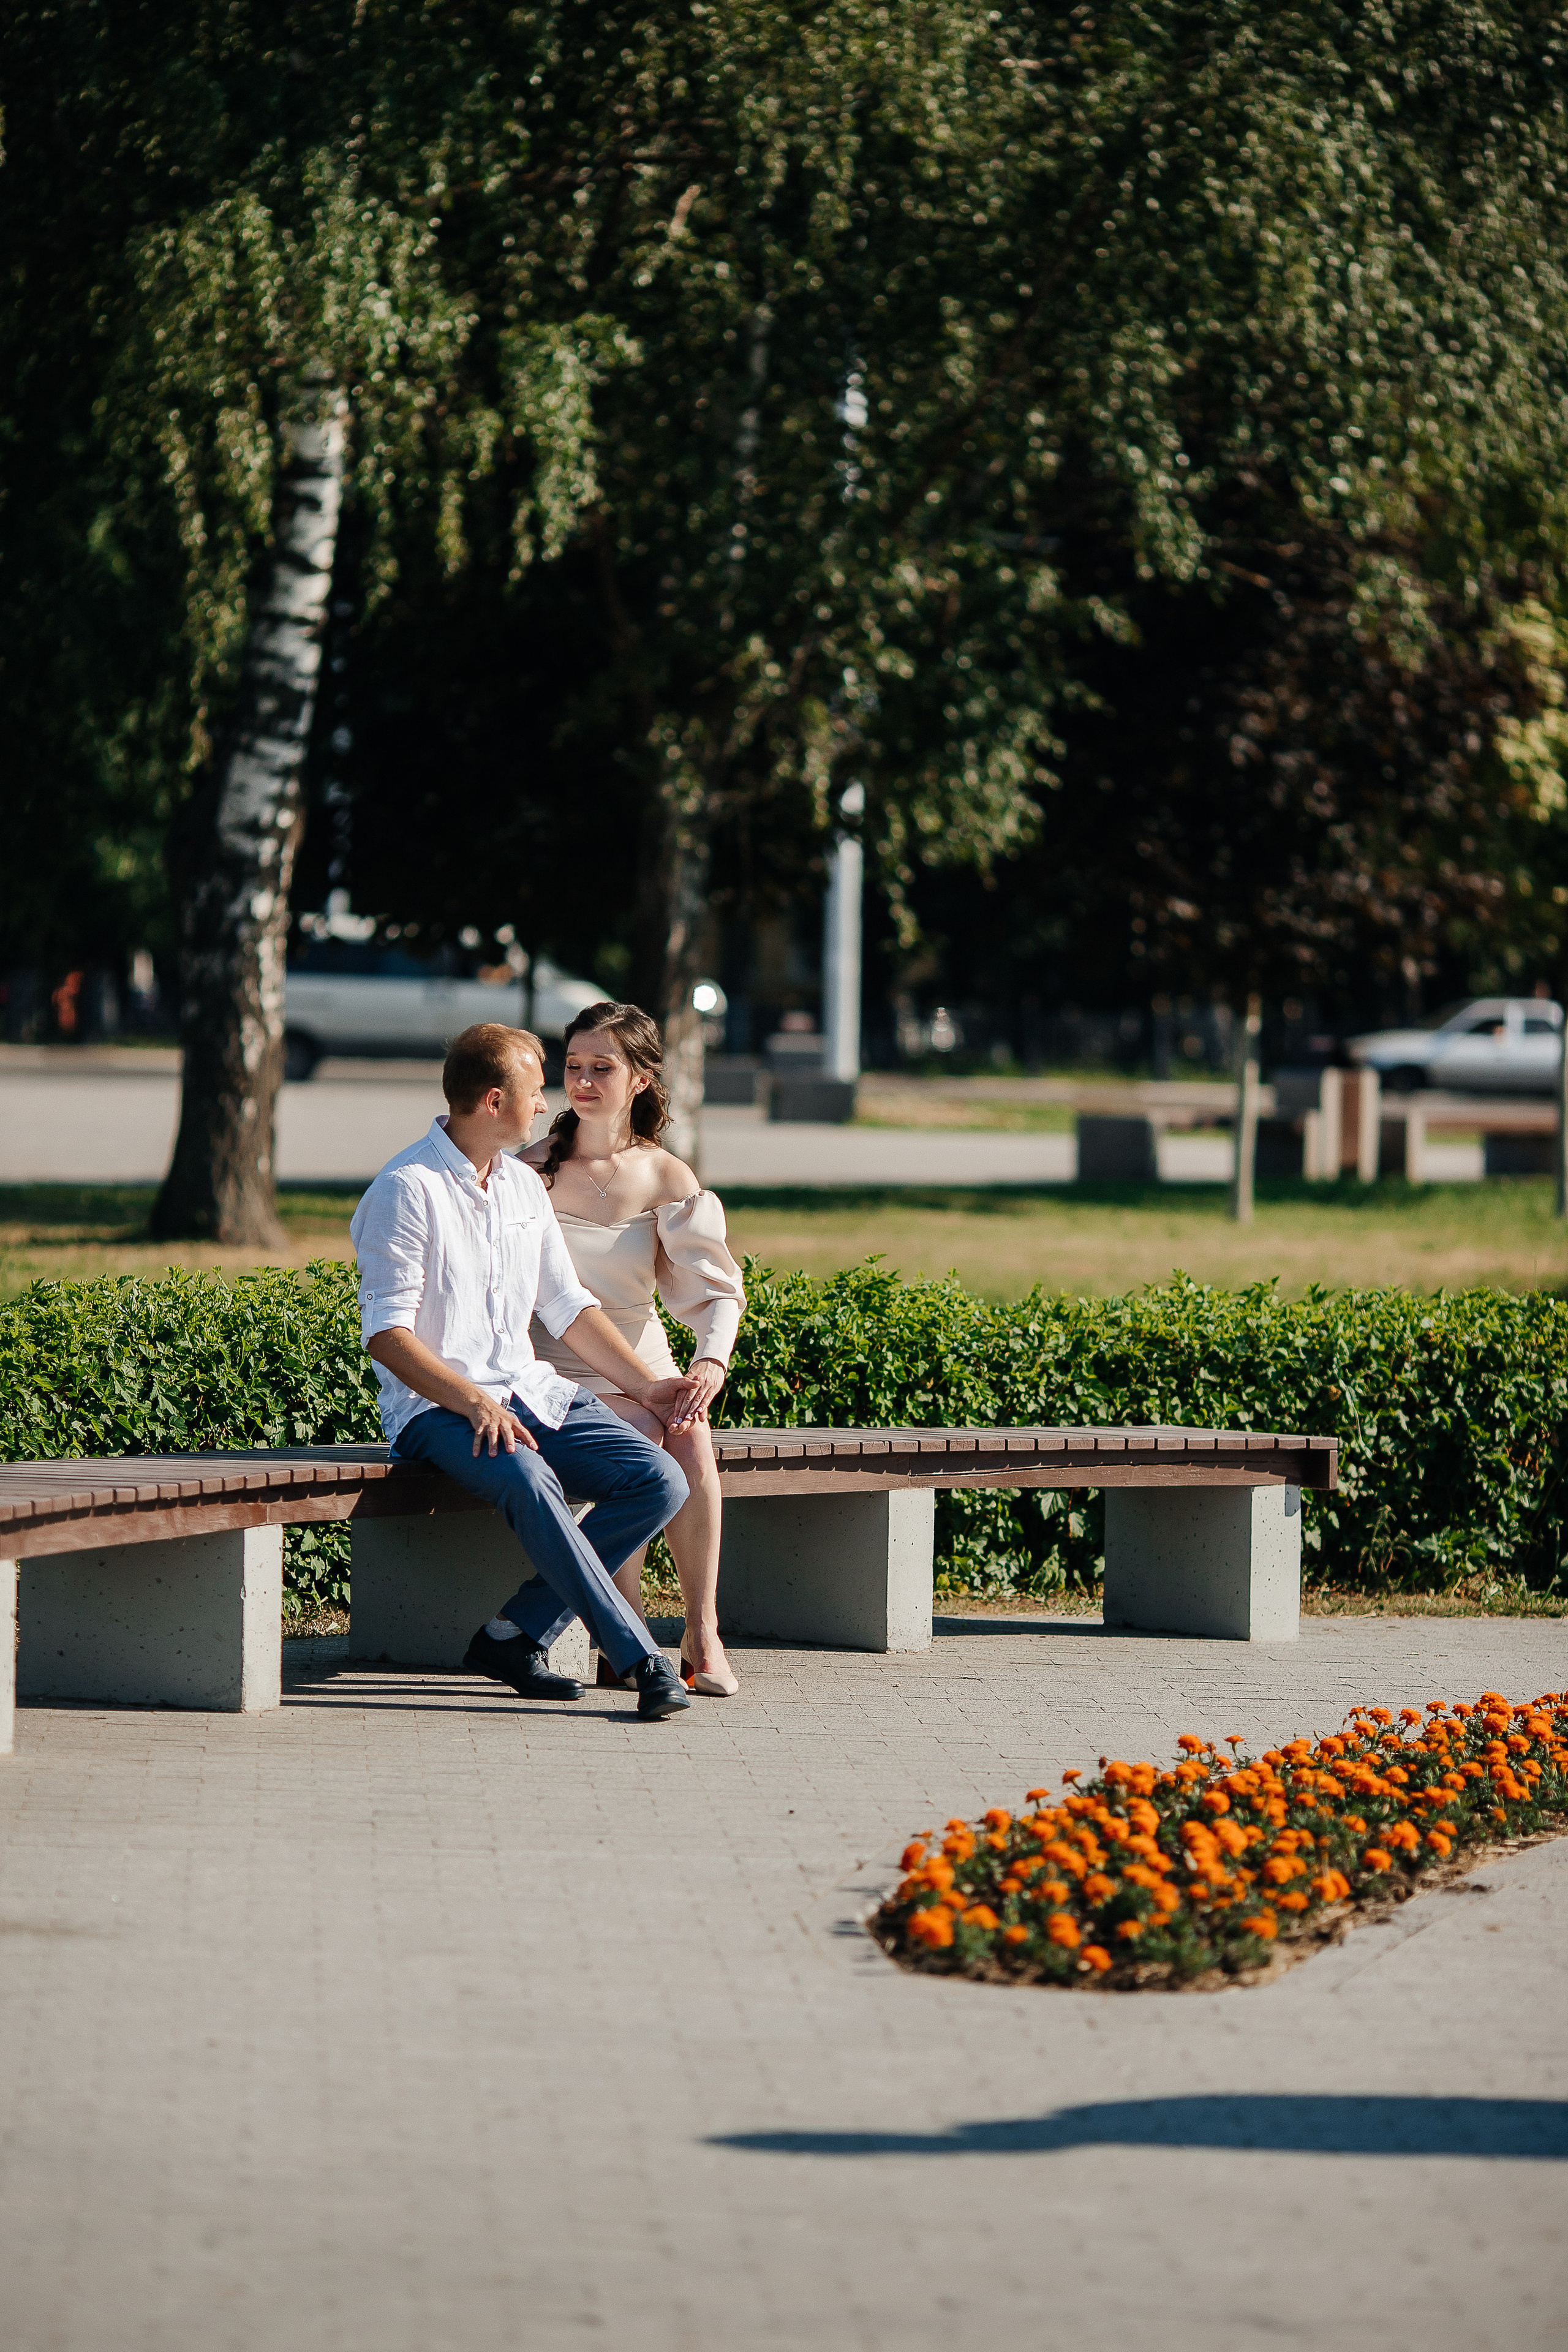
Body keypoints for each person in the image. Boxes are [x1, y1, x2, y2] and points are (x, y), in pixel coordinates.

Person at [349, 1019, 701, 1721]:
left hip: (530, 1391)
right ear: (493, 1101)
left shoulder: (520, 1184)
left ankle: (513, 1636)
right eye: (534, 1091)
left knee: (658, 1480)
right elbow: (387, 1336)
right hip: (437, 1411)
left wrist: (649, 1387)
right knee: (530, 1476)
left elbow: (567, 1307)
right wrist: (473, 1402)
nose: (546, 1104)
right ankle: (641, 1660)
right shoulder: (406, 1189)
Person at [524, 1000, 746, 1697]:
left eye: (603, 1067)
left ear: (641, 1079)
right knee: (645, 1434)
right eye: (573, 1067)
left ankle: (702, 1630)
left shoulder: (666, 1176)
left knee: (690, 1430)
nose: (583, 1082)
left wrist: (709, 1360)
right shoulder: (528, 1171)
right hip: (556, 1370)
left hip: (647, 1362)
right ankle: (625, 1633)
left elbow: (717, 1291)